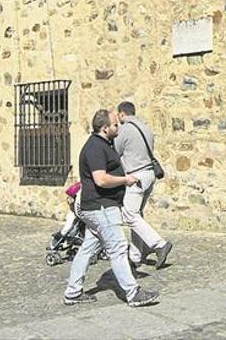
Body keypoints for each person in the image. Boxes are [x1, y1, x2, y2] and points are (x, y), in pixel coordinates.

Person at [63, 109, 159, 307]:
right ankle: (133, 293)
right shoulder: (95, 148)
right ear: (105, 128)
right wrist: (126, 180)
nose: (119, 127)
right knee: (117, 249)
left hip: (100, 207)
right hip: (101, 207)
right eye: (115, 124)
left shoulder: (103, 144)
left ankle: (72, 292)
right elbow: (101, 179)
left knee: (87, 248)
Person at [115, 101, 173, 270]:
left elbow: (115, 152)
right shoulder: (146, 128)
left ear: (122, 114)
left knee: (129, 215)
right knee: (137, 215)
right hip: (149, 175)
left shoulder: (124, 129)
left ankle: (159, 244)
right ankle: (135, 256)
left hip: (135, 176)